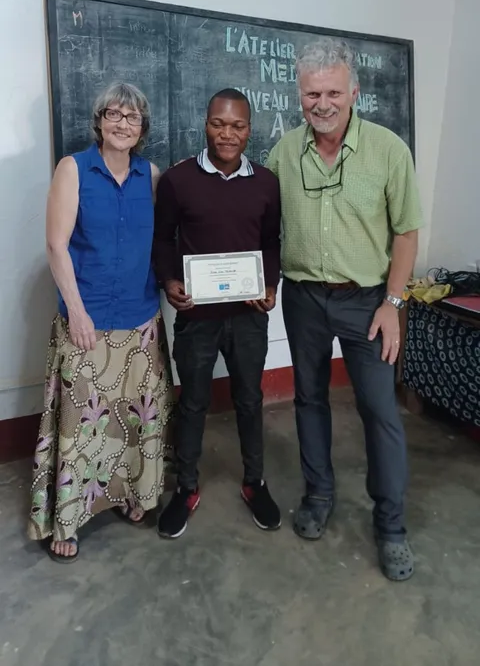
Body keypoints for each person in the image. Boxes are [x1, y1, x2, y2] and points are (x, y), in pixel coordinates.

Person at [267, 38, 423, 581]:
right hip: (304, 297)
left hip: (367, 303)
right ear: (299, 95)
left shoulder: (387, 150)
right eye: (313, 93)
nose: (323, 103)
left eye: (334, 91)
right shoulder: (284, 152)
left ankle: (391, 525)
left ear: (354, 92)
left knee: (380, 412)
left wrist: (393, 303)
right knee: (310, 400)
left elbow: (405, 233)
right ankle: (319, 495)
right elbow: (263, 224)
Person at [28, 83, 175, 563]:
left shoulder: (150, 175)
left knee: (134, 419)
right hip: (87, 318)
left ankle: (133, 493)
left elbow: (162, 241)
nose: (122, 123)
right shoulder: (73, 169)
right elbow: (56, 245)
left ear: (142, 127)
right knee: (82, 427)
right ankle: (68, 520)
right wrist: (78, 310)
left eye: (132, 117)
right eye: (114, 113)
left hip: (139, 318)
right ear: (99, 120)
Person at [153, 88, 281, 539]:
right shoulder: (177, 180)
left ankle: (255, 482)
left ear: (250, 130)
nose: (228, 134)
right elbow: (162, 240)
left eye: (238, 126)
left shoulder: (266, 182)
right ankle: (185, 489)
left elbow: (270, 243)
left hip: (248, 316)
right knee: (193, 403)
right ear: (204, 123)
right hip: (197, 320)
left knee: (249, 399)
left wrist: (269, 284)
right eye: (218, 124)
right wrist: (170, 283)